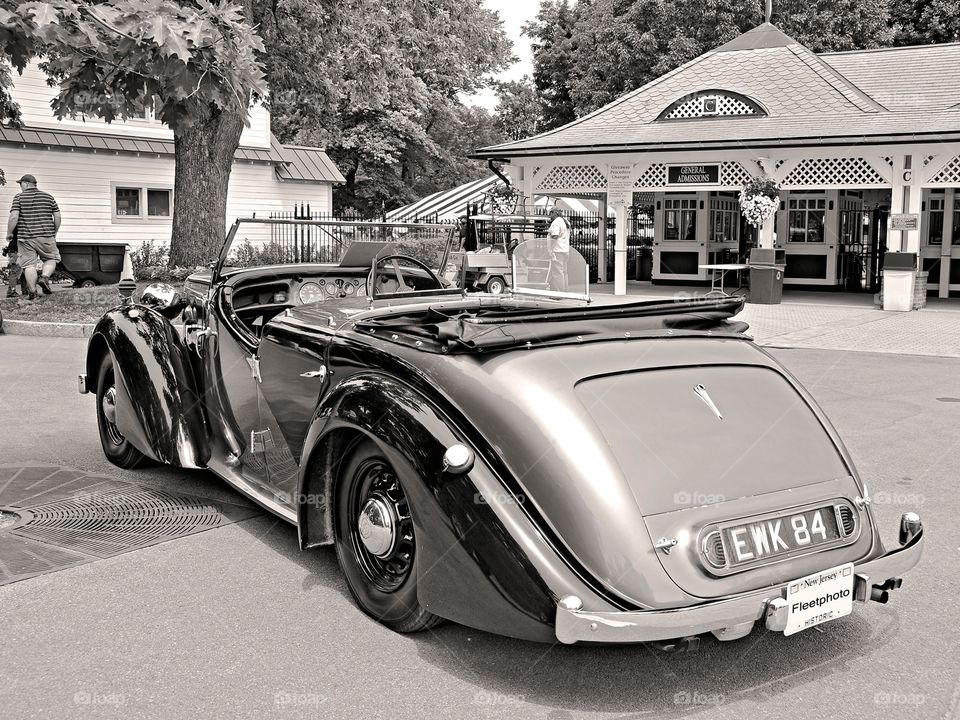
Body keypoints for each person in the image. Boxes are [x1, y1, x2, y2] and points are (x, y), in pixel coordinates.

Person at [6, 174, 61, 300]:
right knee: (51, 258)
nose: (20, 187)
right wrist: (54, 232)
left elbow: (14, 216)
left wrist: (9, 233)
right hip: (46, 236)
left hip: (26, 238)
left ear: (25, 184)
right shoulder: (48, 197)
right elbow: (57, 216)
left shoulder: (19, 197)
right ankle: (45, 277)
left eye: (21, 185)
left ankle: (32, 292)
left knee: (28, 265)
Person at [546, 206, 569, 292]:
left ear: (554, 213)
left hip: (557, 251)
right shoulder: (565, 221)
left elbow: (554, 236)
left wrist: (550, 249)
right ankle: (565, 291)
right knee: (563, 272)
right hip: (565, 250)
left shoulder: (556, 223)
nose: (549, 216)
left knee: (557, 273)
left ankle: (559, 293)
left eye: (550, 213)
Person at [2, 224, 20, 298]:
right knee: (15, 272)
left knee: (19, 271)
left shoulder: (14, 225)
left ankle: (25, 290)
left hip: (13, 250)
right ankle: (11, 292)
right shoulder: (20, 226)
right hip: (16, 251)